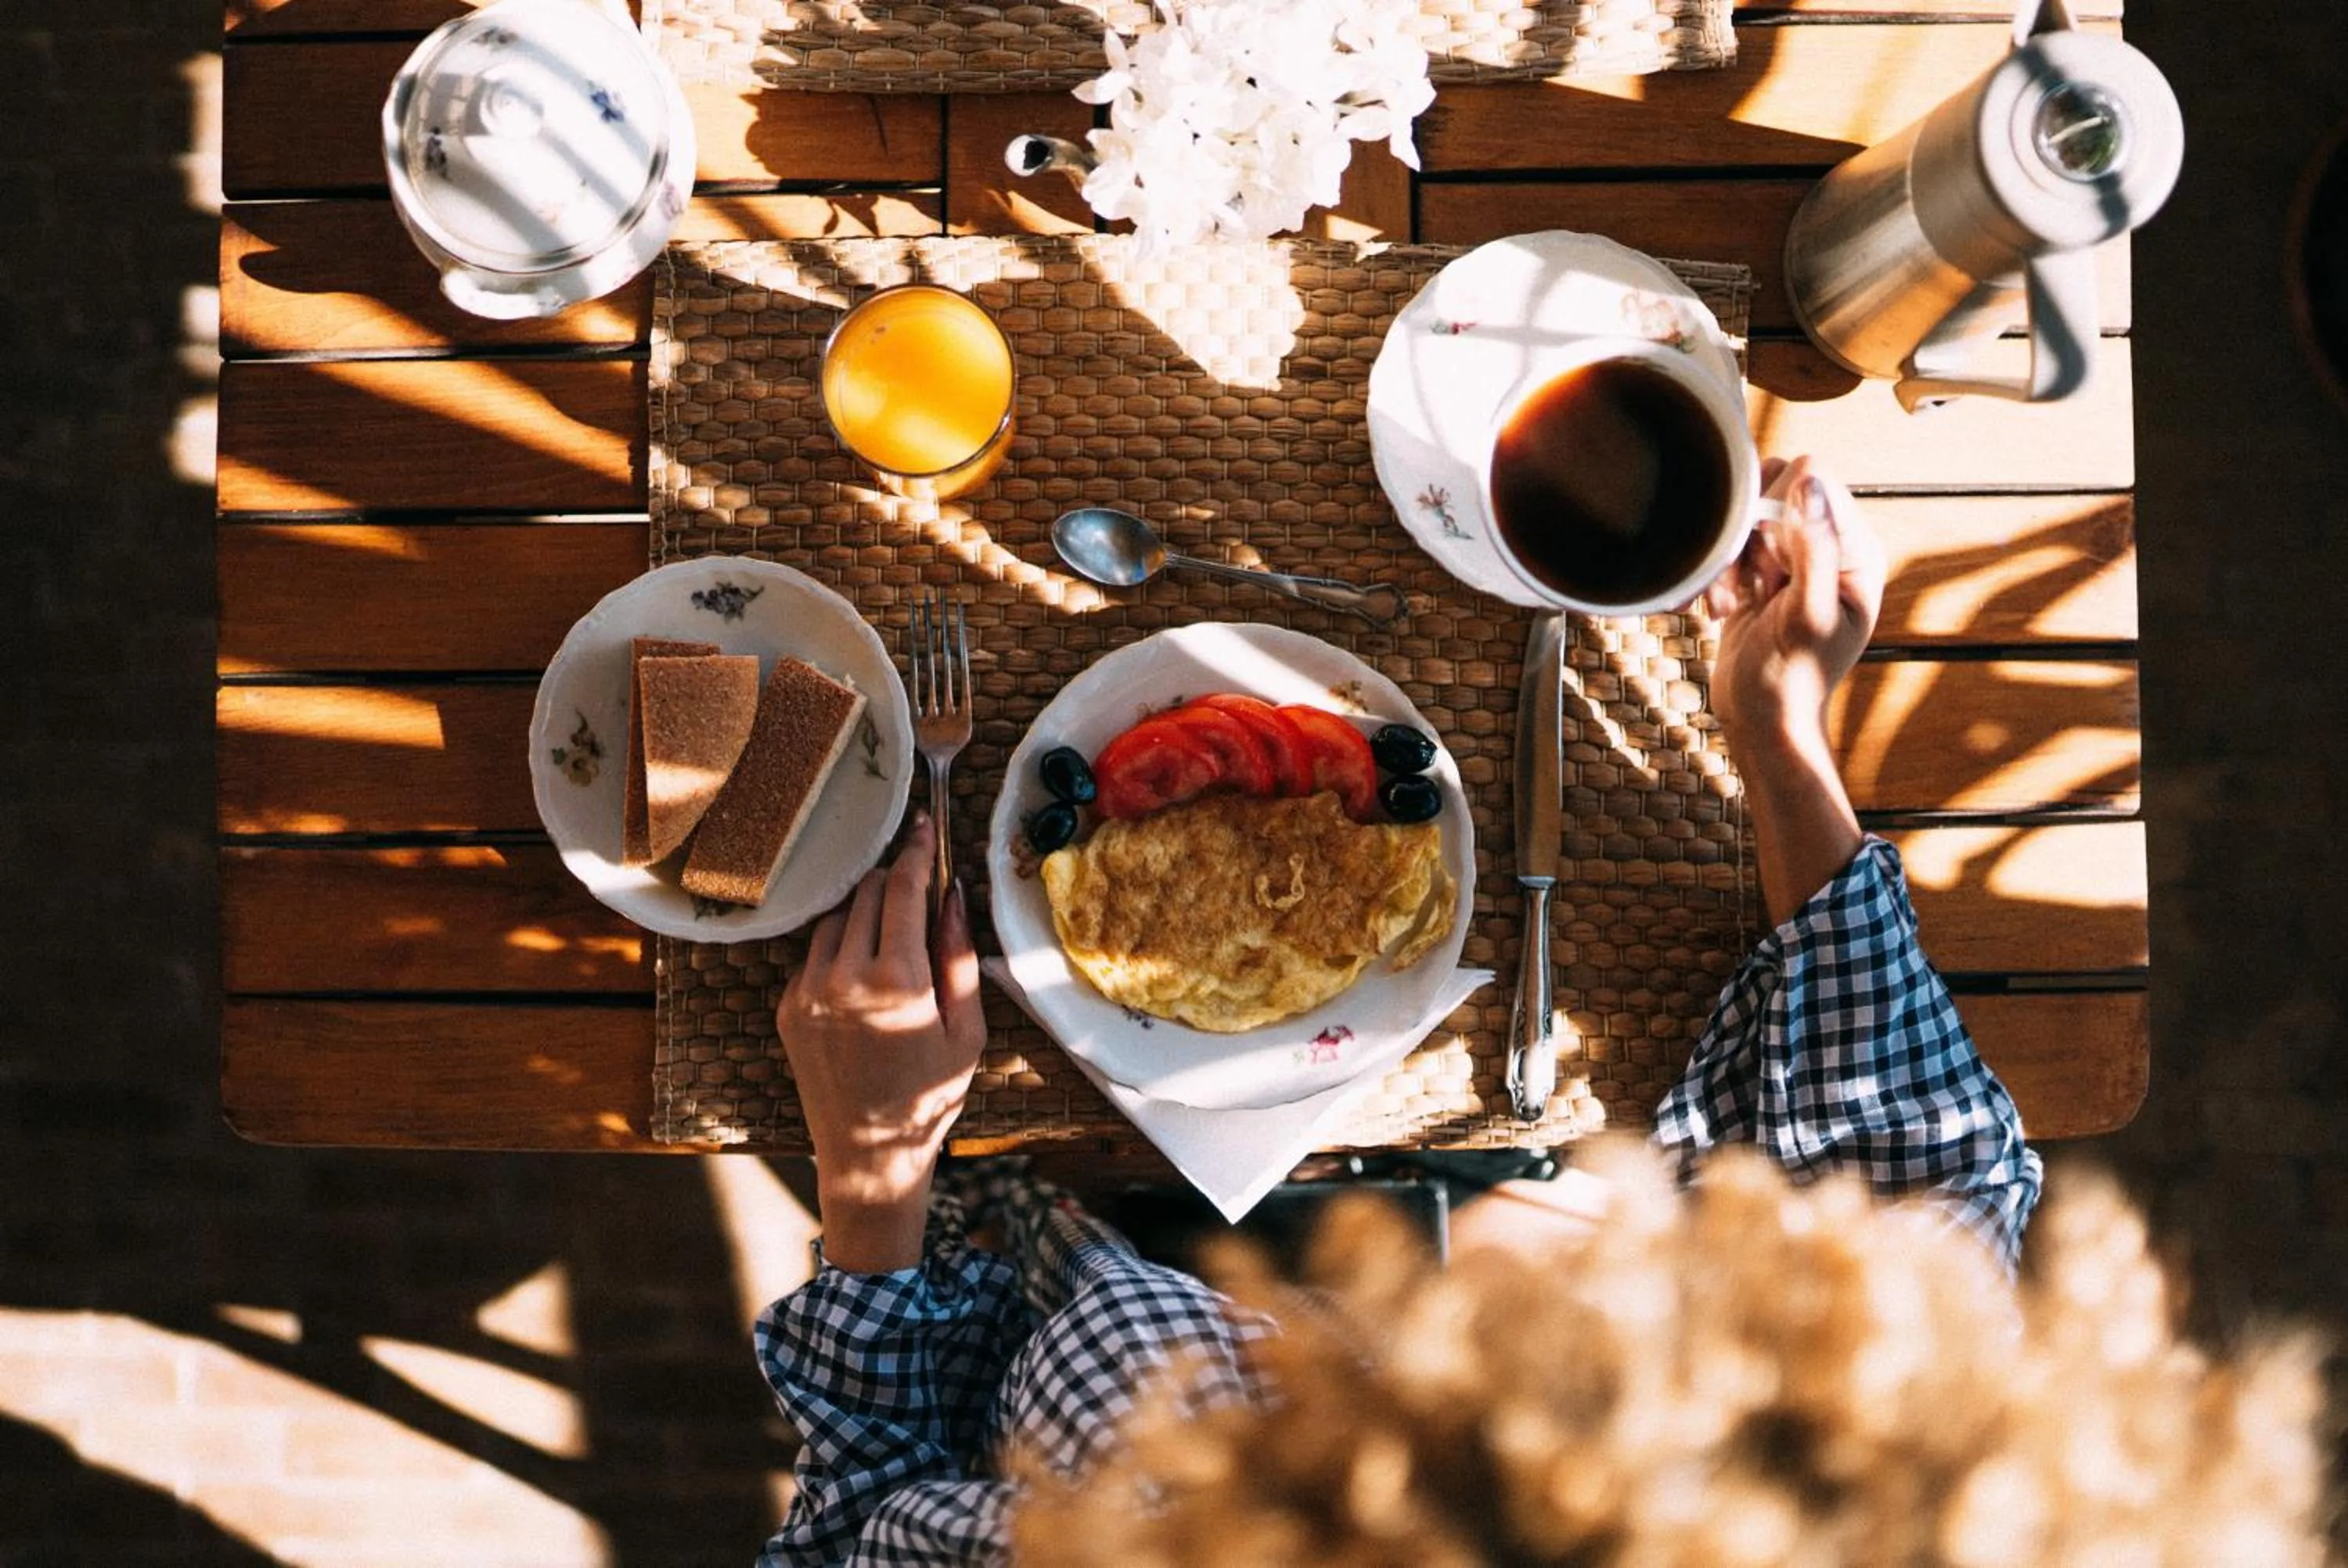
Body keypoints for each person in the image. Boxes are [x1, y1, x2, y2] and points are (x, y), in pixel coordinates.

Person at [752, 461, 2061, 1565]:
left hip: (1018, 1239)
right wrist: (1778, 728)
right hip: (1485, 1156)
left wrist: (875, 1177)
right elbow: (1918, 1177)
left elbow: (854, 1523)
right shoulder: (1858, 1485)